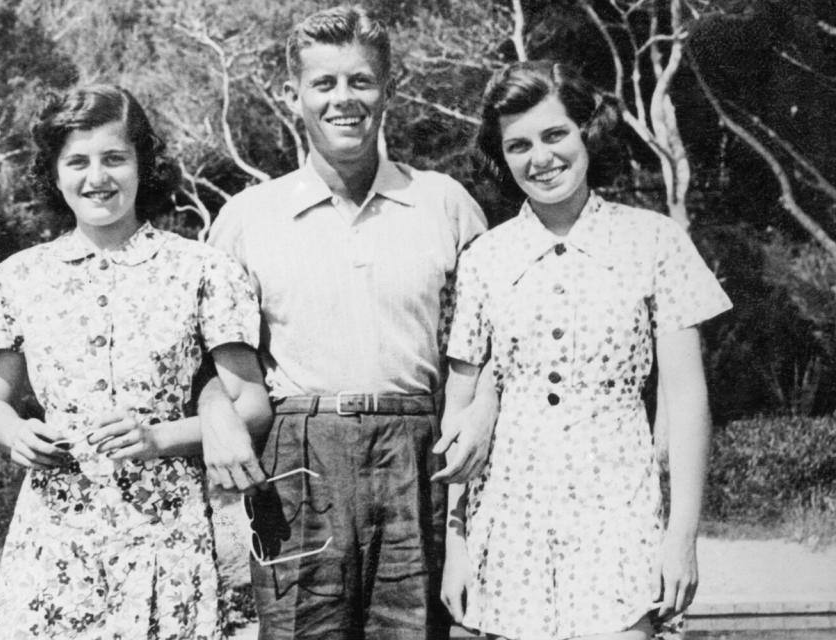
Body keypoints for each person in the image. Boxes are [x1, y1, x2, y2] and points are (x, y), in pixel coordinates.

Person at [205, 6, 495, 638]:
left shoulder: (444, 203)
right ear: (294, 95)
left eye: (361, 81)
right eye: (325, 83)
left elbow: (499, 336)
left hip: (418, 452)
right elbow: (201, 354)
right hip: (298, 453)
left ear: (388, 89)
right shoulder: (248, 217)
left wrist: (483, 408)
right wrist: (214, 413)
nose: (344, 99)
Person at [439, 61, 732, 640]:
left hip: (619, 520)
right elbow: (459, 417)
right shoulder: (484, 259)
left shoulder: (653, 241)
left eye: (555, 135)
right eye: (518, 145)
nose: (540, 158)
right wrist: (457, 547)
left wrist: (682, 536)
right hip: (508, 523)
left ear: (586, 133)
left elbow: (689, 400)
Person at [0, 84, 271, 639]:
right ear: (54, 172)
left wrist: (160, 438)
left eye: (114, 158)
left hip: (167, 538)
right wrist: (16, 434)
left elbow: (250, 404)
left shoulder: (202, 270)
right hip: (53, 538)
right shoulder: (17, 278)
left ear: (143, 165)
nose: (97, 178)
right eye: (77, 162)